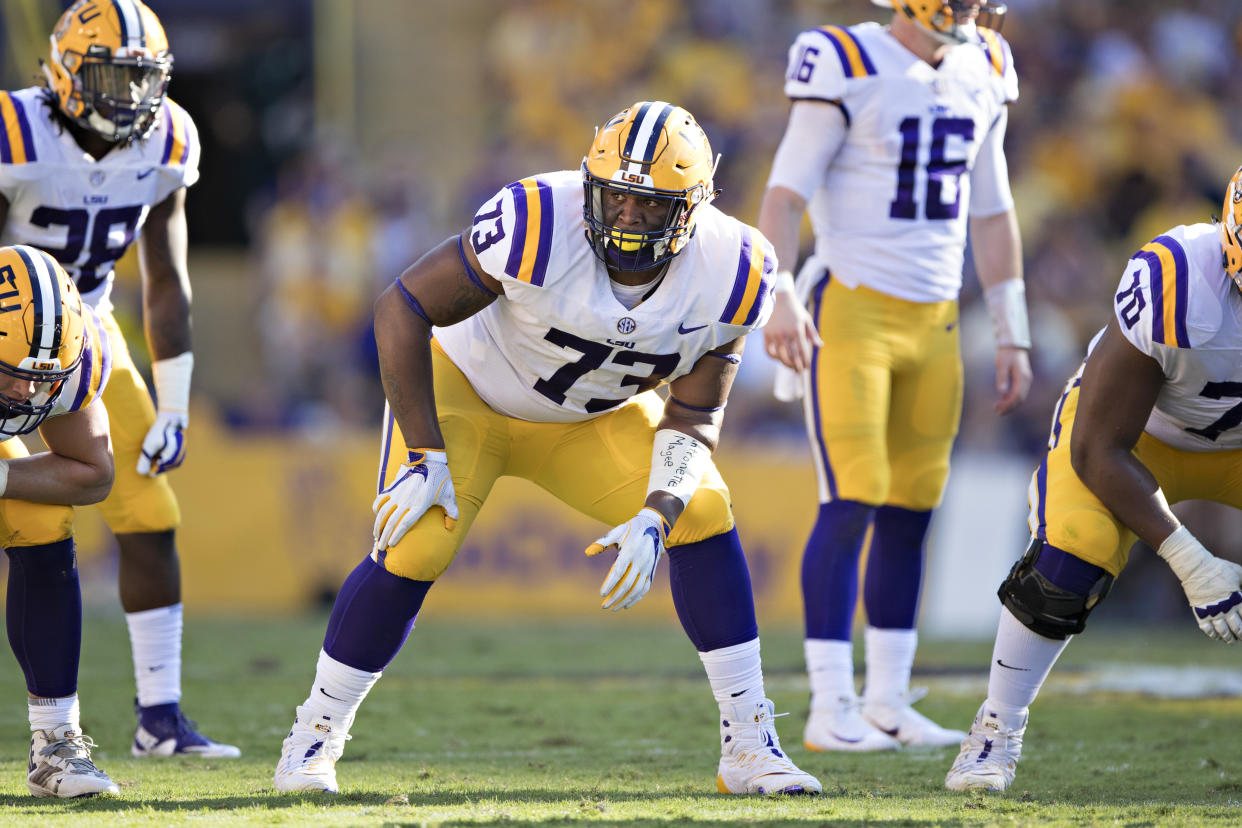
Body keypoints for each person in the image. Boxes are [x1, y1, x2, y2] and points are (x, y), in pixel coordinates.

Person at [273, 100, 822, 797]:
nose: (623, 218)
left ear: (691, 209)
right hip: (468, 391)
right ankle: (313, 738)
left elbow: (697, 408)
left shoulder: (737, 265)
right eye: (614, 198)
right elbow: (401, 307)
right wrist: (423, 454)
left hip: (591, 419)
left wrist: (657, 511)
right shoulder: (537, 220)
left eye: (647, 207)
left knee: (702, 509)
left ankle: (750, 745)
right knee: (417, 544)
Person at [757, 0, 1031, 752]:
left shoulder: (988, 65)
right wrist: (779, 292)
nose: (977, 10)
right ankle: (828, 705)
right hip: (851, 309)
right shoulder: (846, 60)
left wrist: (1013, 331)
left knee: (913, 508)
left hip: (936, 321)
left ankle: (885, 700)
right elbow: (785, 194)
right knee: (851, 499)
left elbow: (994, 210)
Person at [945, 167, 1242, 792]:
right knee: (1071, 553)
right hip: (1140, 438)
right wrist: (1191, 560)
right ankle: (996, 729)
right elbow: (1098, 448)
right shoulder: (1181, 280)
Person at [0, 0, 237, 757]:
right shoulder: (13, 133)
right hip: (3, 340)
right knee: (37, 524)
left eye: (141, 79)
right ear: (66, 70)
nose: (126, 97)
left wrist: (174, 398)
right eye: (108, 75)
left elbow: (166, 276)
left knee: (149, 511)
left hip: (92, 334)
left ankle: (158, 719)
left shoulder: (168, 137)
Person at [0, 244, 117, 796]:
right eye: (12, 376)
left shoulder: (77, 356)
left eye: (40, 379)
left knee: (44, 522)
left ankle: (55, 746)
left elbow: (92, 473)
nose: (27, 393)